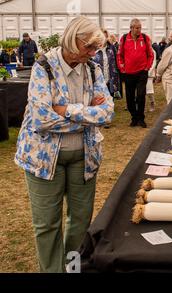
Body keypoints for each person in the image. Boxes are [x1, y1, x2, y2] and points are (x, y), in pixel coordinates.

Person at [14, 16, 114, 273]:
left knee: (80, 222)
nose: (93, 53)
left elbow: (107, 113)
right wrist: (86, 115)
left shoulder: (93, 69)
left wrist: (66, 110)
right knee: (47, 224)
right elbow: (41, 120)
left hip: (84, 157)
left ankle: (72, 269)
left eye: (95, 49)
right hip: (43, 159)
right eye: (88, 47)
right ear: (72, 39)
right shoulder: (43, 66)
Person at [117, 18, 154, 128]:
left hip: (142, 72)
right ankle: (134, 117)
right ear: (131, 28)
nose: (139, 30)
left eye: (140, 28)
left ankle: (141, 118)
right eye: (137, 28)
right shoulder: (124, 38)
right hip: (128, 73)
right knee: (129, 97)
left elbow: (150, 54)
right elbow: (119, 55)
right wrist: (122, 67)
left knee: (141, 95)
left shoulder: (145, 38)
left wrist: (147, 67)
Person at [146, 47, 157, 112]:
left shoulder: (153, 51)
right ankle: (142, 106)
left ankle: (152, 103)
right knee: (141, 91)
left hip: (149, 74)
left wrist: (148, 71)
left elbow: (154, 63)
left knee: (149, 91)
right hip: (141, 73)